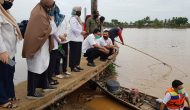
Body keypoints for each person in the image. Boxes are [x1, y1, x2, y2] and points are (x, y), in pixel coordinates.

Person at [22, 0, 56, 99]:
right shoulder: (39, 14)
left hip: (42, 45)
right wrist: (52, 21)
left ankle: (44, 85)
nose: (51, 9)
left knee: (43, 65)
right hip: (36, 46)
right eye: (51, 6)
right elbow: (51, 30)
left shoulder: (42, 11)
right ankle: (31, 92)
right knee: (35, 68)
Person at [0, 0, 22, 108]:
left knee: (10, 72)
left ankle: (10, 95)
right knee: (2, 75)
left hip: (11, 52)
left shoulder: (6, 12)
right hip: (3, 53)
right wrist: (2, 51)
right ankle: (3, 100)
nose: (11, 1)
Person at [69, 6, 86, 72]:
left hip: (79, 39)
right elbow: (73, 28)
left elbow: (79, 27)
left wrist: (82, 32)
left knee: (78, 53)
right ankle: (72, 67)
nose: (80, 12)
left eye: (80, 11)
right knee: (74, 53)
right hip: (74, 39)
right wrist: (81, 32)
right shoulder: (73, 18)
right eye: (79, 11)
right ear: (75, 11)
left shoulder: (78, 19)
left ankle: (76, 65)